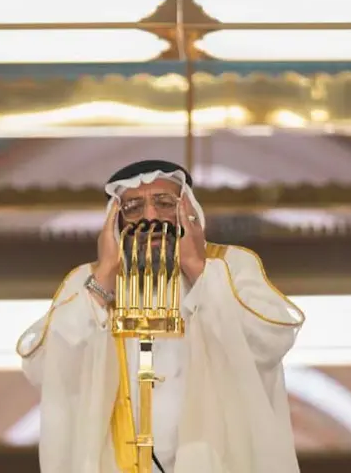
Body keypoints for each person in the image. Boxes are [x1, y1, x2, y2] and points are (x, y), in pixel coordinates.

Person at [16, 159, 305, 473]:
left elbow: (270, 342)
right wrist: (104, 279)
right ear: (116, 222)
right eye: (133, 208)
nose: (151, 217)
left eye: (165, 203)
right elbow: (46, 369)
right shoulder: (88, 282)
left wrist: (198, 267)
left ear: (189, 211)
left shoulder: (231, 267)